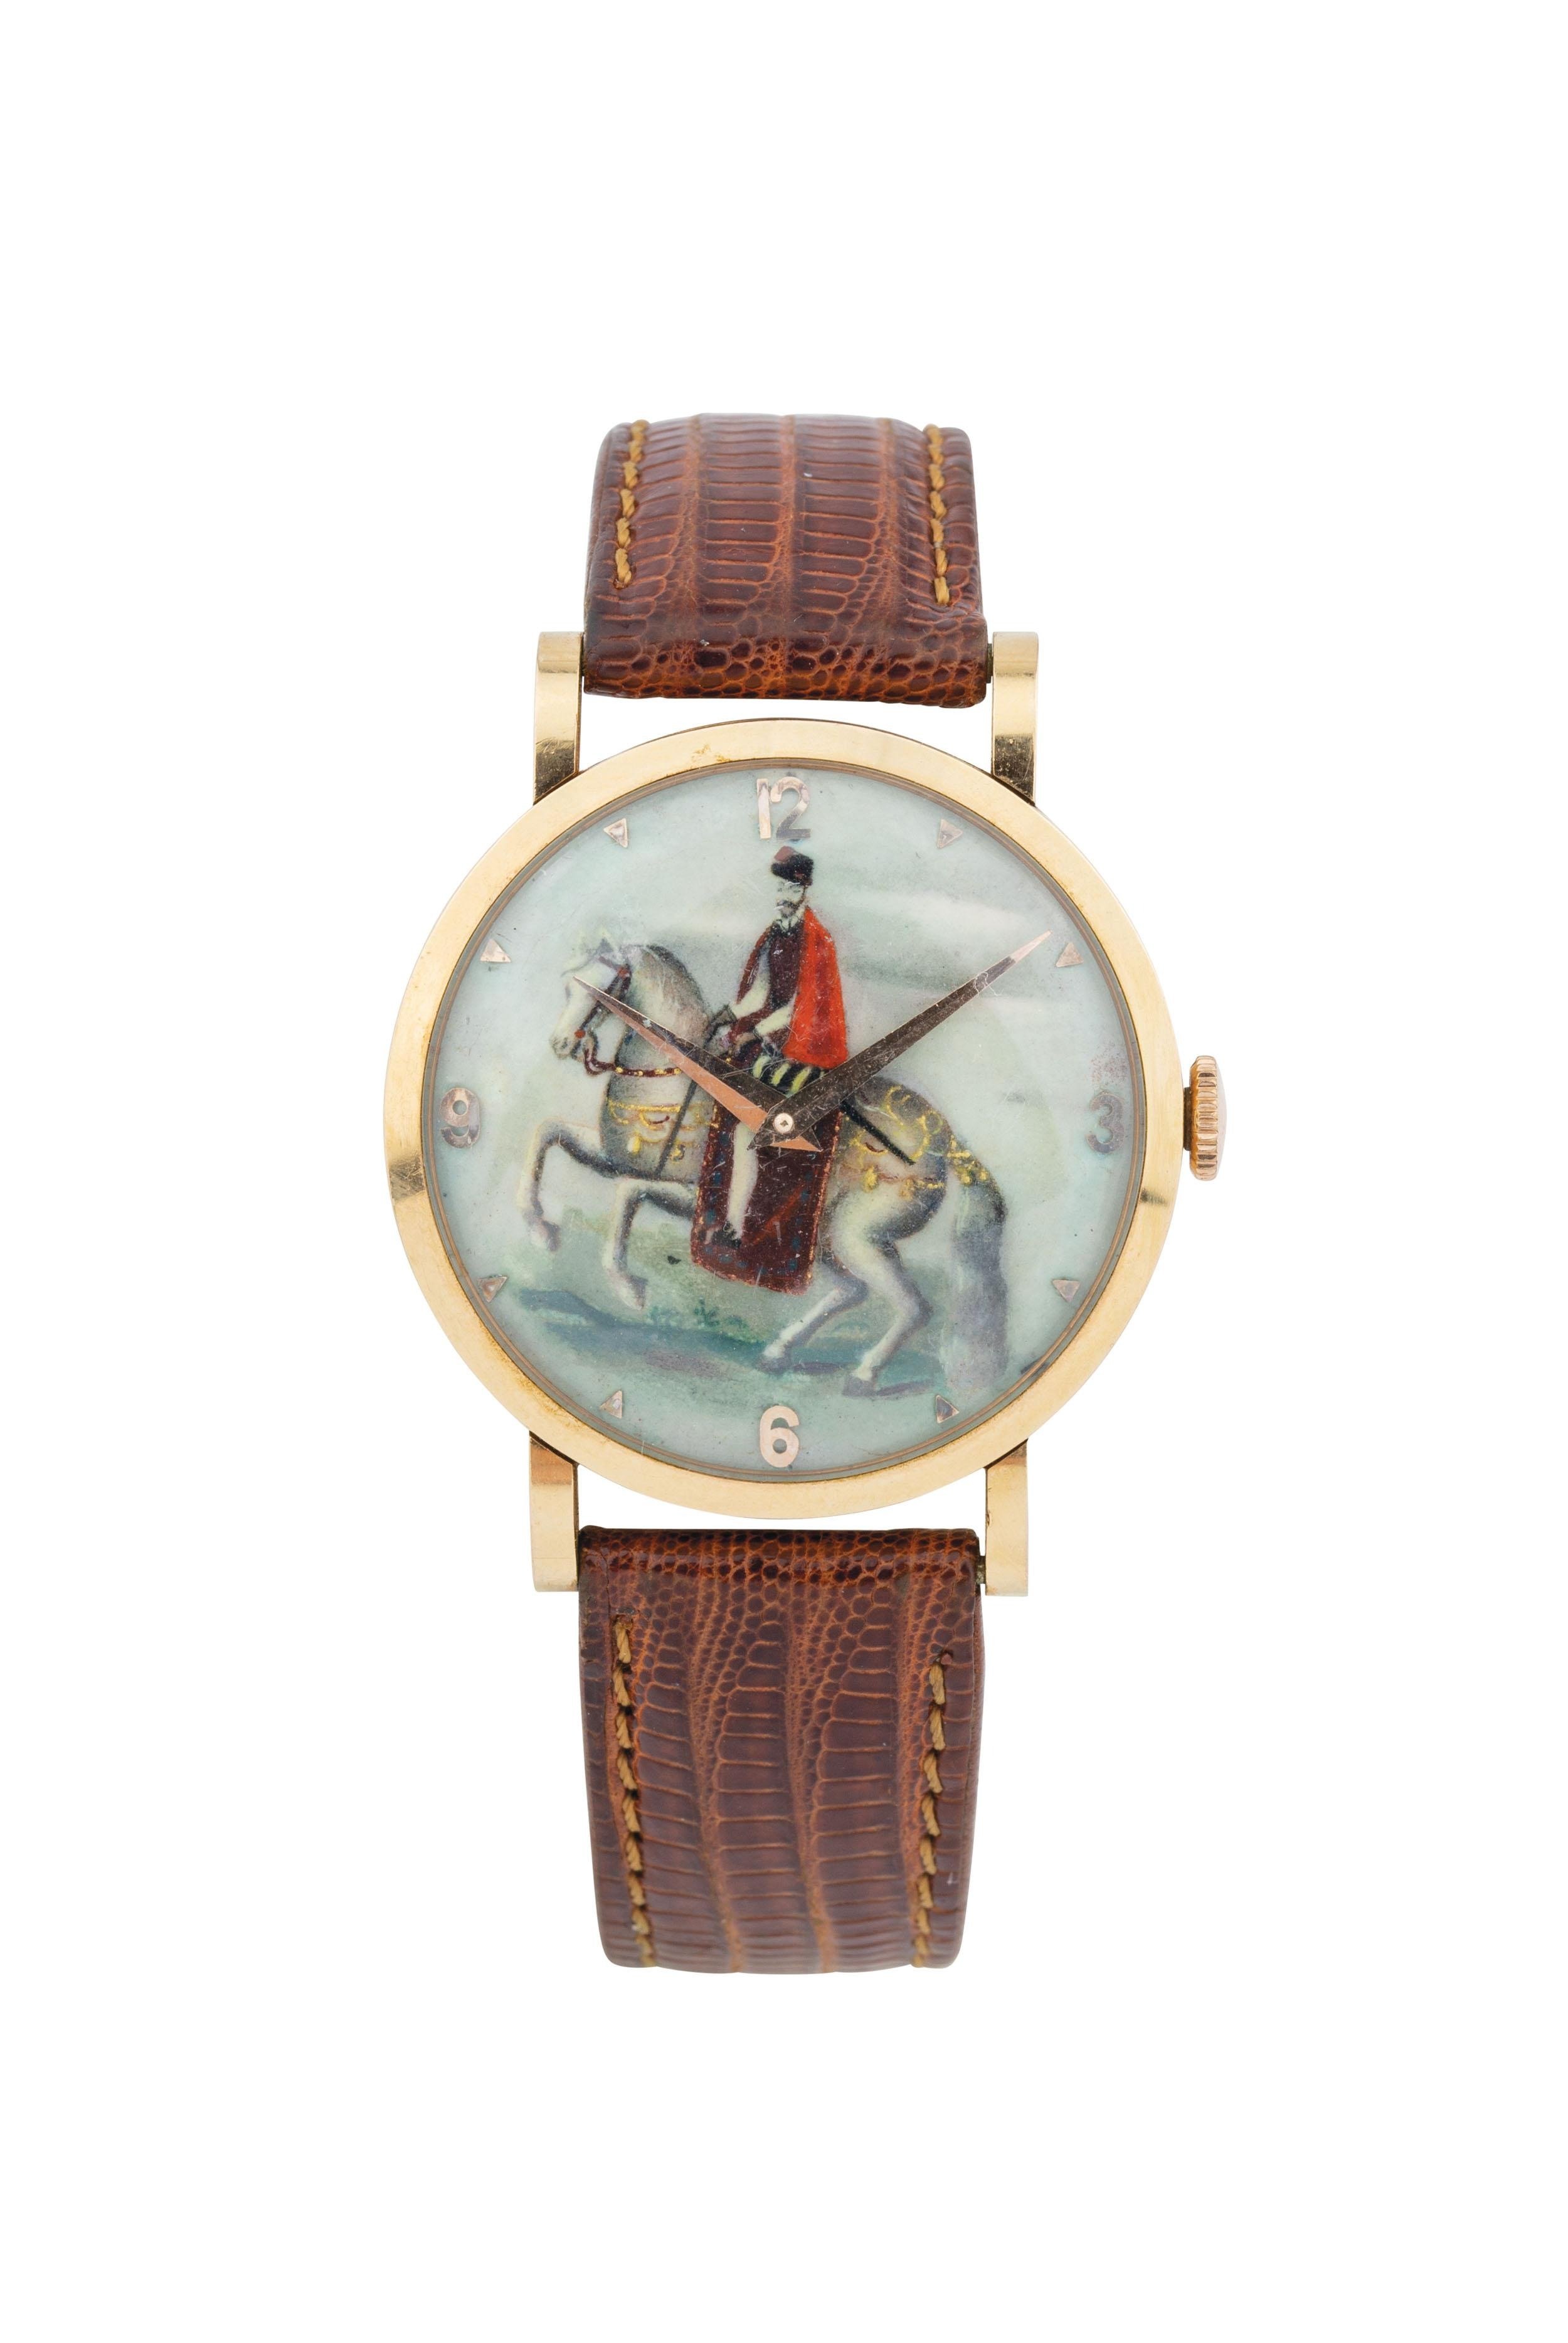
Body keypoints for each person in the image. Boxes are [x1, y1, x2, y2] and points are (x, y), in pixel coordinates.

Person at [718, 845, 847, 1236]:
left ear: (803, 891)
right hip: (775, 1039)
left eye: (789, 889)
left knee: (747, 1128)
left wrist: (754, 1033)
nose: (781, 896)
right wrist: (729, 1015)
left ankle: (736, 1226)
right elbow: (762, 993)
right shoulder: (776, 933)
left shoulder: (817, 939)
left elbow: (799, 1008)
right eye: (778, 888)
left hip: (807, 1053)